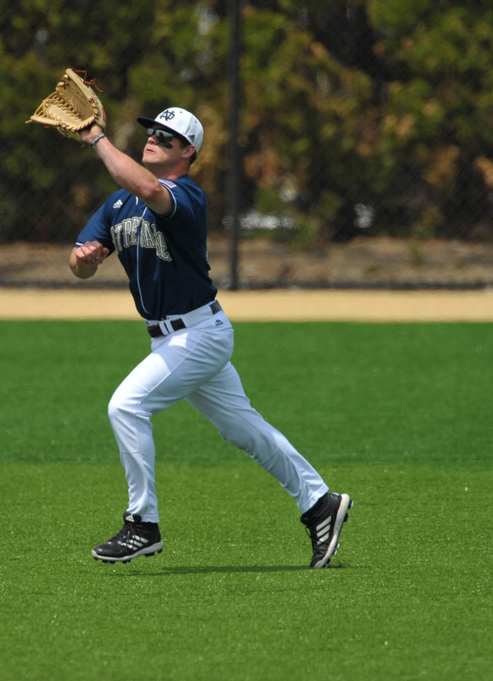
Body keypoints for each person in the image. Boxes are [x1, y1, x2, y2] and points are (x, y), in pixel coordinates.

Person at [70, 107, 352, 569]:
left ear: (188, 152)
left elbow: (147, 187)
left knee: (126, 405)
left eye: (167, 135)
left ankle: (142, 524)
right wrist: (85, 259)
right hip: (169, 340)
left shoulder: (187, 196)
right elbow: (78, 264)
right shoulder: (117, 205)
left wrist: (97, 139)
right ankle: (321, 504)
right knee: (246, 431)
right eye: (152, 131)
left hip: (198, 333)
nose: (154, 138)